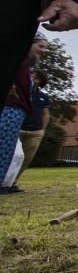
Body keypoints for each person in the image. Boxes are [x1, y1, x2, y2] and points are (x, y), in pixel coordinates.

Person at [0, 37, 45, 194]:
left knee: (9, 152)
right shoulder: (16, 60)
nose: (42, 50)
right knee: (4, 149)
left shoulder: (26, 67)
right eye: (40, 46)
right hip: (10, 109)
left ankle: (4, 184)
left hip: (18, 110)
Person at [13, 68, 50, 190]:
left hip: (35, 132)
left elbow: (45, 114)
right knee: (13, 156)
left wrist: (42, 130)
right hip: (17, 129)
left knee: (25, 160)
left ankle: (12, 183)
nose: (33, 80)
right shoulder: (18, 93)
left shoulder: (43, 97)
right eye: (31, 77)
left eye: (37, 78)